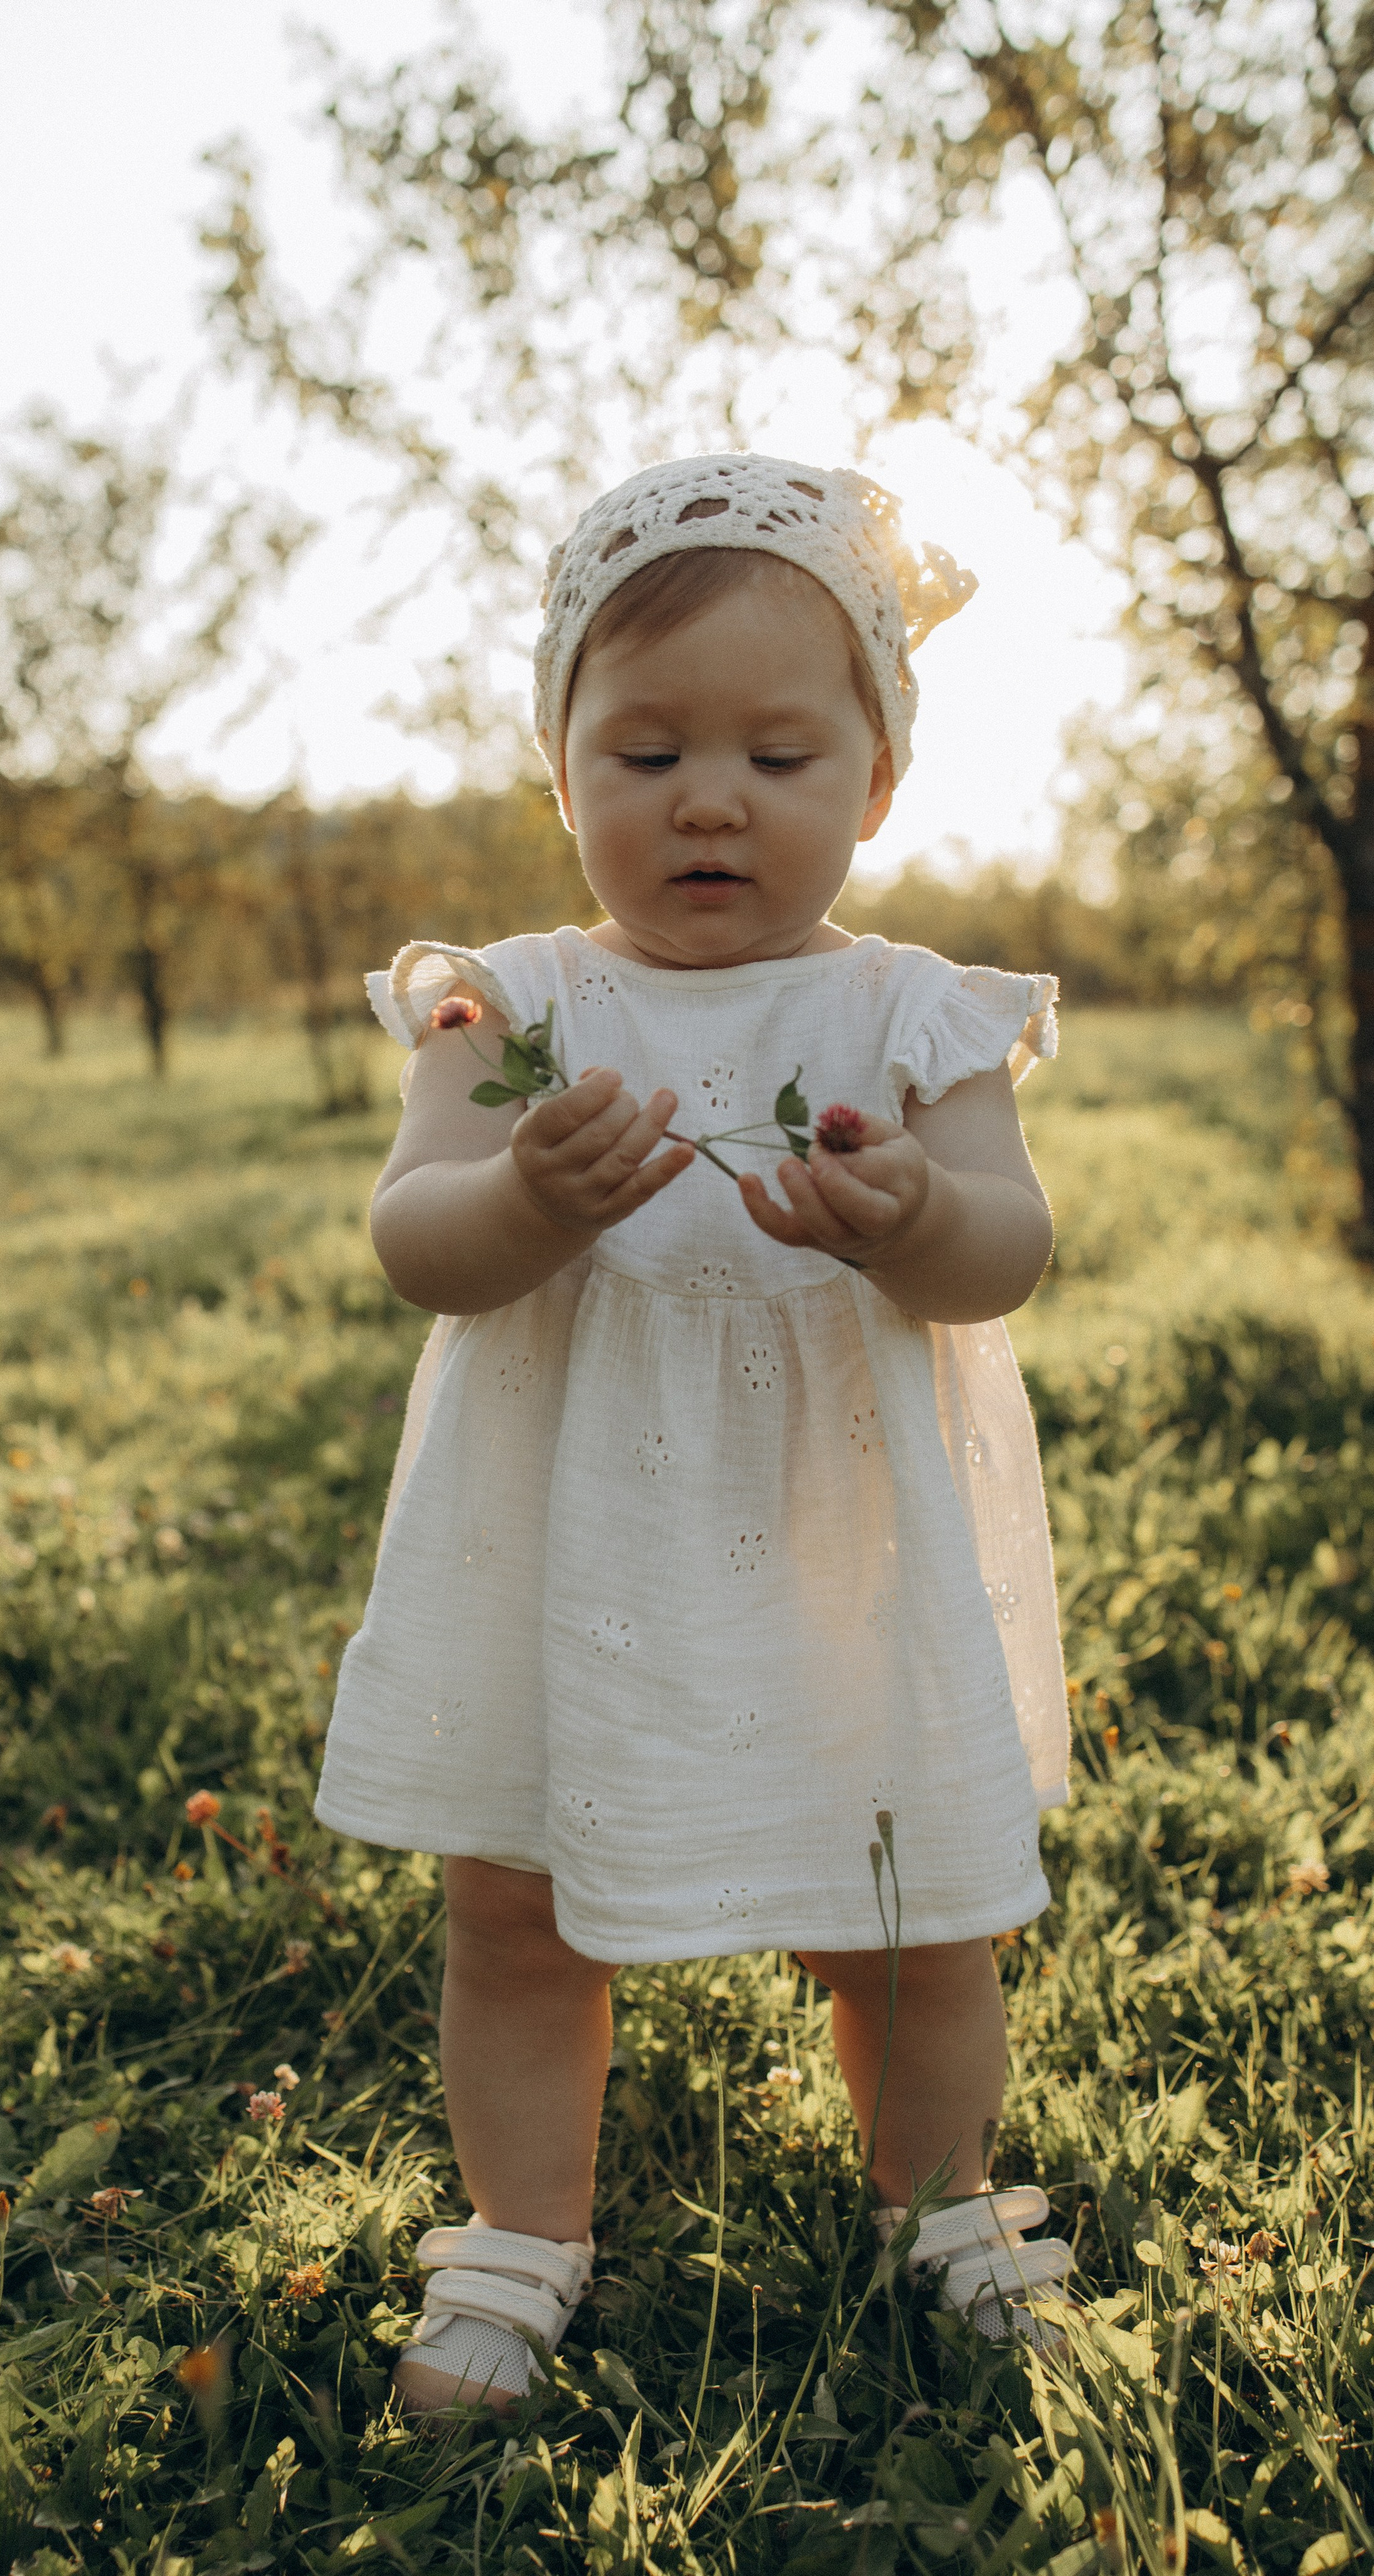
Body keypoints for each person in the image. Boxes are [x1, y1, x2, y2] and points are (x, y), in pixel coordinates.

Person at [315, 454, 1077, 2414]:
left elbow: (1010, 1252)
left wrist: (918, 1217)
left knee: (914, 1900)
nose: (710, 798)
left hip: (836, 1542)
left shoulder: (917, 1015)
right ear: (561, 777)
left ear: (877, 786)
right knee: (515, 1897)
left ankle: (946, 2204)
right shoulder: (513, 1013)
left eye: (779, 753)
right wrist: (533, 1202)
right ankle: (517, 2239)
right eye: (643, 750)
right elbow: (420, 1245)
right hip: (567, 1536)